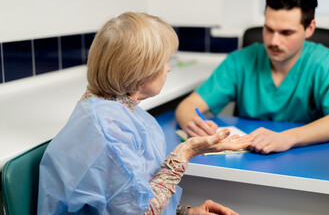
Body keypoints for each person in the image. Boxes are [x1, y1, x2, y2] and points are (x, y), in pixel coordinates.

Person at [37, 12, 253, 215]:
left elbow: (128, 201)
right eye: (164, 61)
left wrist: (184, 212)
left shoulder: (115, 110)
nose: (168, 68)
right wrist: (185, 152)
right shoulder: (107, 132)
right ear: (141, 75)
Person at [175, 0, 329, 155]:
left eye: (286, 33)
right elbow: (187, 106)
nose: (274, 41)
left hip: (305, 157)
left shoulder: (324, 62)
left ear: (309, 28)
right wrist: (193, 123)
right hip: (247, 160)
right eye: (269, 29)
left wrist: (288, 138)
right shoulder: (241, 60)